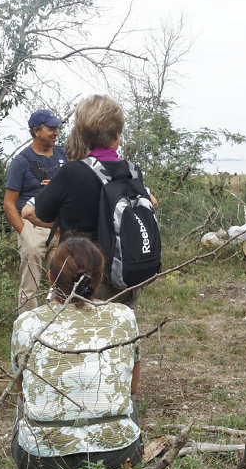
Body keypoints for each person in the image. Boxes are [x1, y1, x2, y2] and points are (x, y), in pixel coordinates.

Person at [10, 236, 143, 469]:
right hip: (117, 456)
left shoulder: (27, 323)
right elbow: (133, 388)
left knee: (24, 403)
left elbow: (23, 395)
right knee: (128, 401)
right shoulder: (124, 316)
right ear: (100, 278)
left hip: (42, 463)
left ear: (50, 278)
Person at [20, 94, 158, 309]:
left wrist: (61, 226)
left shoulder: (73, 172)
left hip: (84, 280)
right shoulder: (131, 171)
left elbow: (30, 213)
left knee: (81, 337)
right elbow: (151, 203)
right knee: (120, 335)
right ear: (117, 135)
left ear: (82, 135)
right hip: (126, 271)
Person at [3, 109, 68, 311]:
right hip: (32, 225)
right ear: (36, 131)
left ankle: (60, 327)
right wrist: (24, 233)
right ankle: (27, 332)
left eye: (57, 128)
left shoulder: (64, 154)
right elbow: (8, 203)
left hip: (61, 226)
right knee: (30, 285)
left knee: (65, 281)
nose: (56, 132)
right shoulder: (21, 162)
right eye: (51, 128)